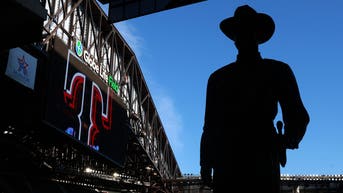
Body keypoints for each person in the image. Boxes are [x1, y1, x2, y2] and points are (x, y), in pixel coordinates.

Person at [200, 5, 310, 192]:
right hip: (260, 157)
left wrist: (206, 162)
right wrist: (288, 140)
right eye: (241, 31)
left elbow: (210, 126)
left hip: (232, 159)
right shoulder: (277, 70)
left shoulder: (218, 78)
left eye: (247, 31)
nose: (244, 37)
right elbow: (297, 114)